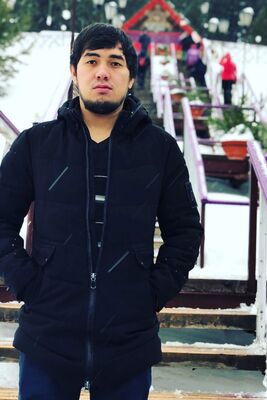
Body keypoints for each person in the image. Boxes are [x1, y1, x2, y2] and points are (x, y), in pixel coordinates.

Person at [0, 23, 203, 399]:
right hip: (47, 337)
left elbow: (186, 231)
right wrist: (27, 282)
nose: (102, 72)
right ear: (74, 72)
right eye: (91, 61)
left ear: (131, 76)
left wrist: (151, 292)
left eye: (115, 62)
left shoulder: (159, 150)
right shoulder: (37, 145)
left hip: (128, 342)